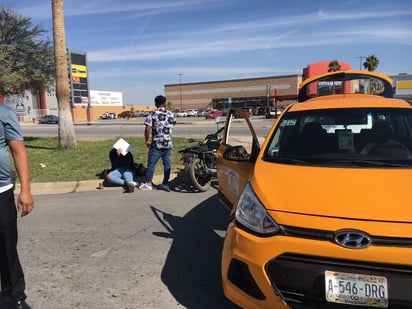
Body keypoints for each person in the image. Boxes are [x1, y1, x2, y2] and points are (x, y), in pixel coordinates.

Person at [0, 104, 34, 309]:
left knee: (6, 249)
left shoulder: (4, 113)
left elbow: (18, 152)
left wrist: (26, 189)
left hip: (1, 192)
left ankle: (15, 299)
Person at [139, 95, 175, 191]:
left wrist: (147, 140)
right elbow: (173, 123)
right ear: (165, 103)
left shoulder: (153, 114)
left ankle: (149, 183)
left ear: (155, 104)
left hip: (157, 144)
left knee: (151, 164)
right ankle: (165, 183)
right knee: (167, 164)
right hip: (168, 143)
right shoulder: (171, 114)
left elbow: (148, 127)